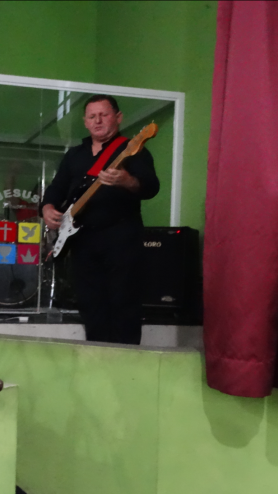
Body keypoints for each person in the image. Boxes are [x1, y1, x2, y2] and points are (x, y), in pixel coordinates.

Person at [40, 95, 159, 345]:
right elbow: (57, 188)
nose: (98, 121)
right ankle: (96, 356)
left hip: (121, 238)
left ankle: (125, 360)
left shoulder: (133, 150)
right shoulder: (74, 155)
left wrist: (127, 181)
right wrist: (47, 207)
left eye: (104, 115)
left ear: (118, 117)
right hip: (82, 240)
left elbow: (151, 187)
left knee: (124, 302)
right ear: (85, 122)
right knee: (90, 304)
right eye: (92, 116)